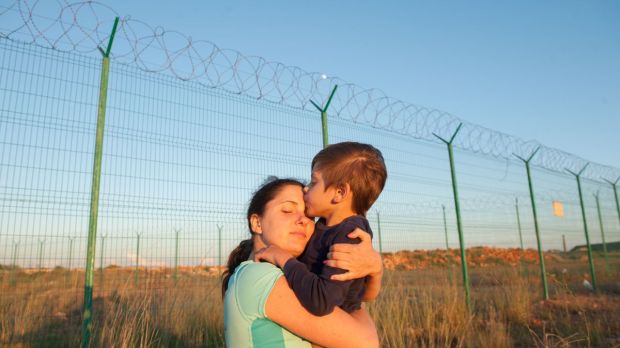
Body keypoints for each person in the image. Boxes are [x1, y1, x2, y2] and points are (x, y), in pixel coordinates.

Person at [223, 178, 382, 348]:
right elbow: (366, 342)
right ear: (257, 223)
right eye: (288, 210)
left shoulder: (291, 277)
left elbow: (360, 298)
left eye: (309, 216)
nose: (303, 220)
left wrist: (374, 269)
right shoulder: (259, 277)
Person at [256, 142, 387, 316]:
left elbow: (321, 301)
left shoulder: (350, 235)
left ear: (339, 193)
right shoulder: (325, 226)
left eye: (314, 181)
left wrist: (283, 259)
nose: (306, 188)